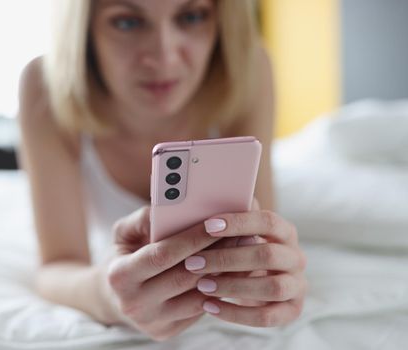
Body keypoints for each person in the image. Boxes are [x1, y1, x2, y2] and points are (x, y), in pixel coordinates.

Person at [16, 0, 307, 341]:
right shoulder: (45, 84)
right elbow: (56, 265)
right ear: (85, 29)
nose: (163, 57)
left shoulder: (246, 68)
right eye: (126, 22)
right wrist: (109, 296)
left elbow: (257, 231)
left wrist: (265, 271)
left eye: (192, 16)